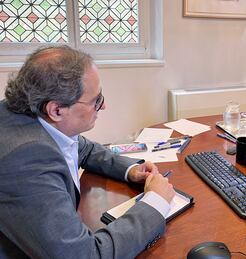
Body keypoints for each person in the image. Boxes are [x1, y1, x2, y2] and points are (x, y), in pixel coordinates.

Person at [0, 46, 176, 258]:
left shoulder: (21, 111)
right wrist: (156, 201)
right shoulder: (25, 160)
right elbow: (87, 255)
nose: (103, 107)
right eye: (96, 100)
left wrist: (130, 170)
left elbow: (81, 147)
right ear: (56, 110)